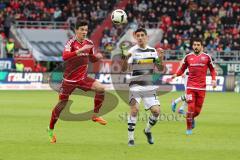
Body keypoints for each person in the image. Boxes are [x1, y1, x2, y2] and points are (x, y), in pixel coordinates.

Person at [47, 20, 107, 144]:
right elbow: (64, 56)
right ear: (76, 31)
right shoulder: (71, 42)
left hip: (83, 78)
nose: (84, 32)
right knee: (61, 106)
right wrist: (79, 51)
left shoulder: (89, 43)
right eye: (82, 30)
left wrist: (97, 57)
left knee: (101, 88)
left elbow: (91, 58)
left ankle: (95, 115)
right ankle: (50, 129)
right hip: (69, 80)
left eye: (86, 30)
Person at [121, 28, 164, 146]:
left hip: (148, 86)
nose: (140, 37)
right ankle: (131, 139)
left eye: (142, 35)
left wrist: (160, 58)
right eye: (138, 36)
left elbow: (160, 69)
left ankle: (147, 130)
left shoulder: (153, 51)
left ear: (147, 37)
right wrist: (124, 58)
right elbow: (124, 69)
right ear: (135, 38)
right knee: (134, 110)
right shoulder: (132, 51)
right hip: (135, 84)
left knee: (156, 111)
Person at [171, 38, 217, 135]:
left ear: (201, 46)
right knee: (190, 108)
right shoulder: (188, 57)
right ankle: (188, 130)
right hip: (190, 87)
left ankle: (190, 118)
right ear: (192, 46)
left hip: (202, 88)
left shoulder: (207, 57)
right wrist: (176, 74)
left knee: (197, 111)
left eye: (198, 45)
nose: (196, 46)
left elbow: (212, 70)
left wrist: (213, 80)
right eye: (194, 45)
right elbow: (182, 69)